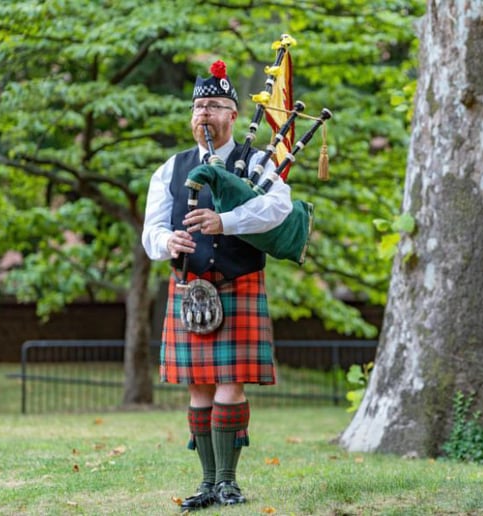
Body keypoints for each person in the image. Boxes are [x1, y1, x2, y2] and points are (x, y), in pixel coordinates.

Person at [142, 59, 292, 510]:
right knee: (199, 387)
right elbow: (150, 232)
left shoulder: (257, 161)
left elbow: (278, 208)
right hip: (189, 290)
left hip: (237, 284)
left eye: (214, 106)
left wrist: (223, 220)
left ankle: (228, 481)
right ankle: (207, 483)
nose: (204, 115)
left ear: (232, 114)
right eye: (198, 107)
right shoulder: (171, 168)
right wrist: (169, 240)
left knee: (230, 382)